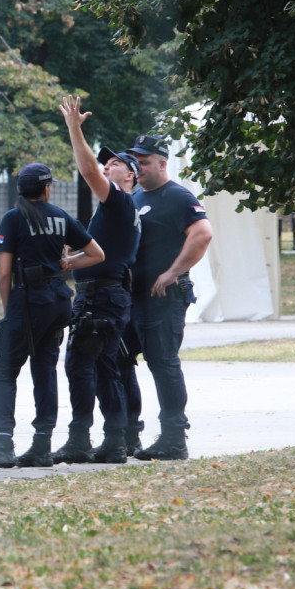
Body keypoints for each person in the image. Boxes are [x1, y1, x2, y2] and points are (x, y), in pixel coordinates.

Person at [0, 163, 104, 468]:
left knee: (4, 370)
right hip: (57, 301)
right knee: (45, 369)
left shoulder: (14, 218)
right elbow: (97, 254)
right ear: (46, 188)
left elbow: (4, 273)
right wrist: (67, 263)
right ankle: (42, 446)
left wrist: (7, 311)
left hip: (27, 300)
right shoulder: (60, 216)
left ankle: (2, 444)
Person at [53, 95, 141, 465]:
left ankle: (81, 440)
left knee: (79, 365)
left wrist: (74, 128)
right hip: (106, 296)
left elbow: (88, 172)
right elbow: (99, 254)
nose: (107, 166)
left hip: (100, 299)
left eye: (116, 163)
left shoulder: (120, 202)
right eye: (107, 161)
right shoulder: (116, 211)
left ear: (130, 176)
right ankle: (115, 442)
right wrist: (69, 262)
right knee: (104, 367)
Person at [123, 134, 213, 460]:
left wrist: (173, 271)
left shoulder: (177, 197)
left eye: (145, 162)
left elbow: (203, 233)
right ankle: (128, 434)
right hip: (134, 298)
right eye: (136, 161)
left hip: (163, 298)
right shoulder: (136, 197)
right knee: (120, 359)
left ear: (163, 163)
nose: (139, 167)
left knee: (163, 365)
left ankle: (174, 439)